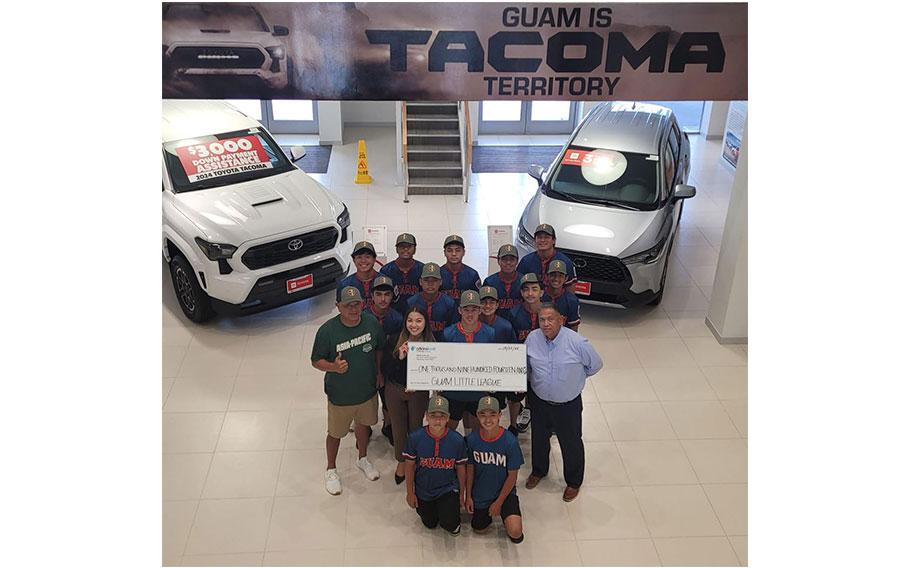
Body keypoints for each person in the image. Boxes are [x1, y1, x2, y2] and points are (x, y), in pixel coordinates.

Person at [524, 304, 603, 502]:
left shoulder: (578, 343)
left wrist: (574, 380)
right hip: (540, 401)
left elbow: (595, 365)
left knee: (571, 443)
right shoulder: (532, 339)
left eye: (550, 319)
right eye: (542, 319)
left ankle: (574, 481)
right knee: (539, 438)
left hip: (567, 405)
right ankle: (539, 471)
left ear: (561, 320)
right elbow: (526, 365)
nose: (546, 324)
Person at [310, 286, 384, 495]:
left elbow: (378, 348)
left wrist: (378, 372)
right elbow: (316, 361)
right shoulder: (327, 331)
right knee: (335, 433)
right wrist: (333, 367)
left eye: (357, 304)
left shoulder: (371, 322)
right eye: (347, 305)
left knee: (363, 426)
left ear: (363, 304)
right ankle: (331, 469)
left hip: (367, 390)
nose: (353, 309)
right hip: (340, 395)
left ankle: (362, 458)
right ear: (338, 307)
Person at [381, 306, 433, 485]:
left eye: (418, 320)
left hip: (418, 393)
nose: (414, 325)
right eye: (410, 320)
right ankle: (402, 461)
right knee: (398, 427)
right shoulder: (395, 339)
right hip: (395, 390)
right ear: (405, 322)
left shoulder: (431, 344)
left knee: (415, 428)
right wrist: (399, 358)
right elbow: (385, 369)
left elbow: (436, 373)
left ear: (425, 323)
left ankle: (414, 460)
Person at [403, 395, 468, 536]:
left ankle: (449, 513)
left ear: (448, 417)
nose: (438, 420)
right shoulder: (415, 438)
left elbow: (461, 468)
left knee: (450, 524)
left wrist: (461, 494)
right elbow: (409, 466)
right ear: (426, 416)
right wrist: (410, 492)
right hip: (424, 489)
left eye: (442, 416)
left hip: (447, 488)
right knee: (430, 523)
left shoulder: (457, 440)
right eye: (433, 415)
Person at [465, 396, 524, 543]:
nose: (488, 419)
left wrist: (499, 502)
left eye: (492, 415)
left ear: (499, 415)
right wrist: (468, 496)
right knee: (479, 529)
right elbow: (470, 469)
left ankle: (507, 515)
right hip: (481, 492)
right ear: (477, 416)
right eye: (483, 415)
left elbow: (512, 477)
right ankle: (487, 512)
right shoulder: (472, 440)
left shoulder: (509, 441)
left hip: (504, 492)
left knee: (515, 532)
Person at [440, 290, 501, 432]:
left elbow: (492, 361)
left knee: (475, 429)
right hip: (453, 391)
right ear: (459, 310)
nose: (470, 314)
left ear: (480, 310)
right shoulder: (448, 334)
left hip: (477, 391)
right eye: (466, 309)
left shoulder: (490, 333)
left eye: (474, 310)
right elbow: (442, 363)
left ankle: (471, 450)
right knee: (449, 428)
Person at [478, 286, 522, 437]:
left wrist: (516, 378)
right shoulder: (472, 323)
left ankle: (513, 425)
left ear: (498, 305)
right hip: (478, 372)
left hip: (500, 372)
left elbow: (514, 353)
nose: (487, 306)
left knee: (508, 399)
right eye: (484, 302)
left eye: (491, 302)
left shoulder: (505, 326)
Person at [506, 273, 546, 434]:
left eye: (534, 289)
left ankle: (530, 412)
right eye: (526, 290)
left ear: (541, 292)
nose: (530, 293)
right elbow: (511, 342)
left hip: (542, 361)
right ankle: (513, 424)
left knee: (538, 393)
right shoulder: (514, 313)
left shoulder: (549, 311)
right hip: (520, 361)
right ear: (521, 293)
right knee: (515, 395)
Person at [368, 275, 404, 446]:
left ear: (392, 296)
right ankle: (365, 426)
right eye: (379, 294)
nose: (383, 299)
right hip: (366, 365)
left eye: (387, 294)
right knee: (366, 398)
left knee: (388, 398)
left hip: (388, 365)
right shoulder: (364, 316)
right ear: (372, 296)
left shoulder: (397, 319)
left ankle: (388, 426)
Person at [517, 224, 577, 292]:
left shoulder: (565, 262)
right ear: (535, 240)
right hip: (532, 300)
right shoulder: (526, 261)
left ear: (554, 240)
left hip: (556, 301)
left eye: (546, 237)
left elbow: (570, 291)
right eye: (539, 237)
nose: (542, 240)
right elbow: (519, 286)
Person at [407, 262, 458, 341]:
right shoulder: (411, 302)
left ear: (440, 282)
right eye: (426, 280)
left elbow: (452, 331)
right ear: (420, 282)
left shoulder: (449, 304)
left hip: (443, 346)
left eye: (434, 280)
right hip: (418, 346)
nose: (430, 284)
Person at [379, 233, 424, 313]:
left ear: (415, 249)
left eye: (409, 246)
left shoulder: (422, 269)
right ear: (396, 249)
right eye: (402, 247)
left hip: (417, 315)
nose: (405, 249)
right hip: (393, 315)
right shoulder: (386, 270)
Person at [483, 244, 524, 317]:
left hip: (520, 323)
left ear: (517, 261)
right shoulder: (489, 282)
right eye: (504, 259)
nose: (508, 262)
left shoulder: (523, 280)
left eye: (512, 259)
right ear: (498, 261)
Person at [338, 240, 380, 308]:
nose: (363, 261)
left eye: (367, 257)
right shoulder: (344, 284)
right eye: (359, 257)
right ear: (354, 260)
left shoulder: (384, 280)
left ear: (374, 259)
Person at [542, 260, 581, 331]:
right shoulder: (540, 296)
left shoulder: (571, 300)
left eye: (560, 276)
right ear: (547, 276)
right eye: (553, 275)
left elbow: (574, 330)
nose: (556, 279)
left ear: (566, 278)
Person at [440, 234, 482, 301]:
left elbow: (479, 299)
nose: (454, 254)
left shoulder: (472, 275)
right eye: (449, 250)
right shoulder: (438, 274)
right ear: (444, 253)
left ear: (463, 252)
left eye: (458, 250)